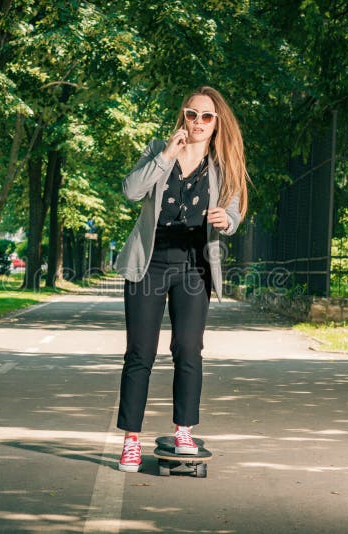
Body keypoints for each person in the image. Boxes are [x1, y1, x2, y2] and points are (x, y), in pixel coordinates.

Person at [113, 86, 249, 472]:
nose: (199, 123)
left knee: (188, 349)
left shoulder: (223, 164)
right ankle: (131, 441)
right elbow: (131, 190)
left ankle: (183, 430)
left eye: (207, 117)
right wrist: (167, 155)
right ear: (183, 116)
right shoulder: (159, 148)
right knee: (140, 353)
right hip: (149, 264)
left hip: (194, 265)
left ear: (217, 122)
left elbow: (234, 212)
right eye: (192, 114)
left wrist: (229, 221)